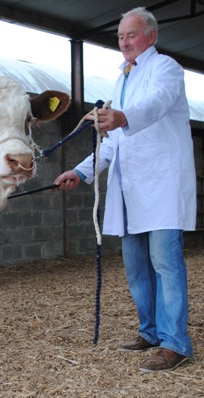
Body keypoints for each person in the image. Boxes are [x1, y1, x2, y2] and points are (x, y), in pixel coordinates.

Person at [54, 6, 196, 372]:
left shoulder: (166, 68)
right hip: (130, 188)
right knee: (136, 266)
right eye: (120, 36)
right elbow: (113, 143)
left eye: (131, 35)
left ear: (151, 36)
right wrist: (81, 172)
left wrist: (122, 117)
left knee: (165, 263)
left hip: (161, 182)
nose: (124, 42)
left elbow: (156, 104)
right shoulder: (122, 80)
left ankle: (176, 343)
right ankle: (150, 332)